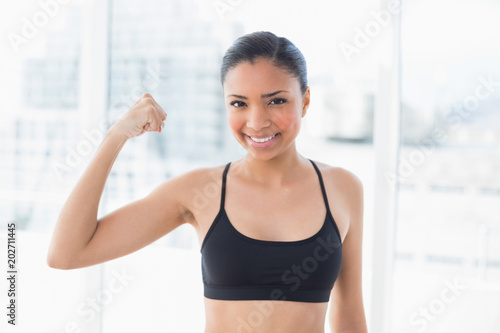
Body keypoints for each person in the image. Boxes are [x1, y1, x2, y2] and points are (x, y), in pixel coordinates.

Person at [47, 31, 367, 333]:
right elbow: (67, 253)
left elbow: (350, 317)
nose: (256, 121)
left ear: (306, 100)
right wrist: (116, 136)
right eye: (239, 103)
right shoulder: (200, 191)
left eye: (276, 101)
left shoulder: (342, 189)